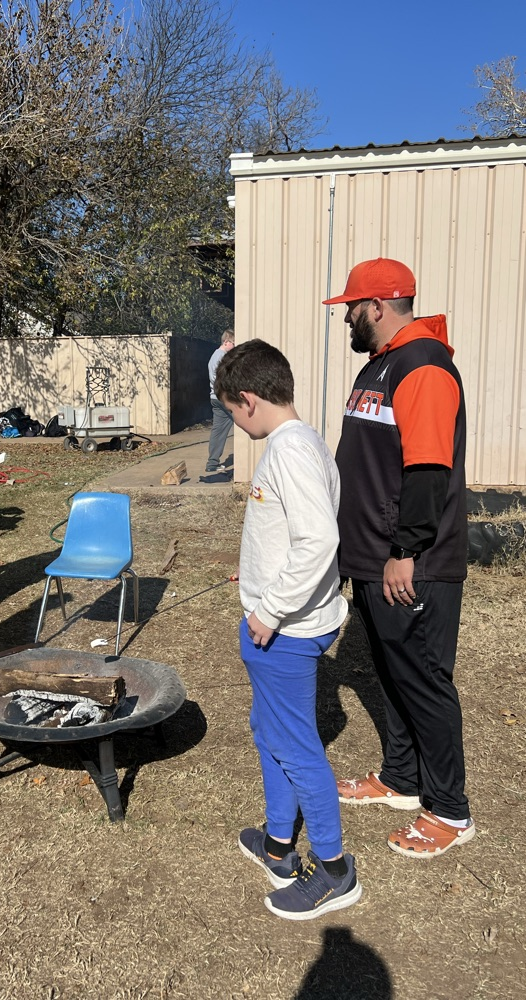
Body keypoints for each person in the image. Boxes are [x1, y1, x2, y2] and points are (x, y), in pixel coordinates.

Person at [325, 257, 473, 858]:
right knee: (390, 671)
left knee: (423, 679)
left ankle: (451, 810)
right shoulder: (381, 366)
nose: (349, 320)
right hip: (369, 557)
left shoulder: (425, 367)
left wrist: (405, 550)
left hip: (412, 563)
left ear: (377, 307)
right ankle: (401, 779)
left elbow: (429, 467)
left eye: (352, 310)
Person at [215, 339, 361, 920]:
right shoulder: (300, 443)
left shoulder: (289, 451)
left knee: (298, 749)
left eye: (230, 410)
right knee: (270, 733)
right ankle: (279, 847)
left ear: (248, 400)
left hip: (286, 633)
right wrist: (256, 571)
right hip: (286, 622)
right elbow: (292, 531)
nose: (234, 419)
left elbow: (320, 540)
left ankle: (335, 872)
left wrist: (269, 609)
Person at [205, 329, 235, 473]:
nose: (234, 348)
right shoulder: (220, 357)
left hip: (215, 398)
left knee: (219, 430)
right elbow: (218, 379)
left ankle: (212, 463)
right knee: (246, 421)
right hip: (223, 398)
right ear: (226, 342)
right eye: (233, 344)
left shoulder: (215, 356)